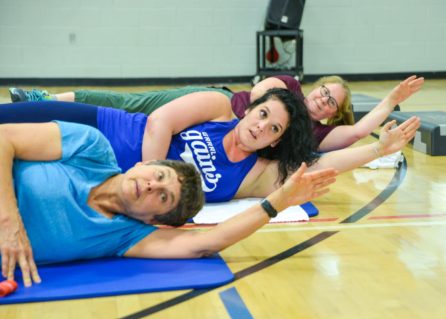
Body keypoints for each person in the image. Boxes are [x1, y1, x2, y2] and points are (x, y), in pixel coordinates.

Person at [0, 120, 338, 287]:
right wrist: (8, 220)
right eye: (158, 176)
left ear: (154, 220)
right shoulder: (91, 147)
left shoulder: (123, 236)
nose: (150, 185)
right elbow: (4, 138)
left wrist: (277, 202)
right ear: (142, 164)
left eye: (162, 197)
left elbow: (207, 242)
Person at [0, 88, 320, 203]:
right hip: (105, 129)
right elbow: (159, 121)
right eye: (262, 113)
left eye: (273, 128)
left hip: (103, 179)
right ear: (250, 109)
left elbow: (324, 162)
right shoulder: (219, 107)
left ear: (276, 140)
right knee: (7, 121)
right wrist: (153, 171)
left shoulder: (253, 175)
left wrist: (374, 150)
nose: (261, 126)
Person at [8, 75, 424, 151]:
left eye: (330, 102)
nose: (320, 100)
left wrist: (390, 101)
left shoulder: (312, 136)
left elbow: (355, 135)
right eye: (322, 92)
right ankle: (42, 97)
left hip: (207, 135)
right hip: (210, 103)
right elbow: (262, 91)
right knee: (124, 104)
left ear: (333, 115)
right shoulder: (290, 89)